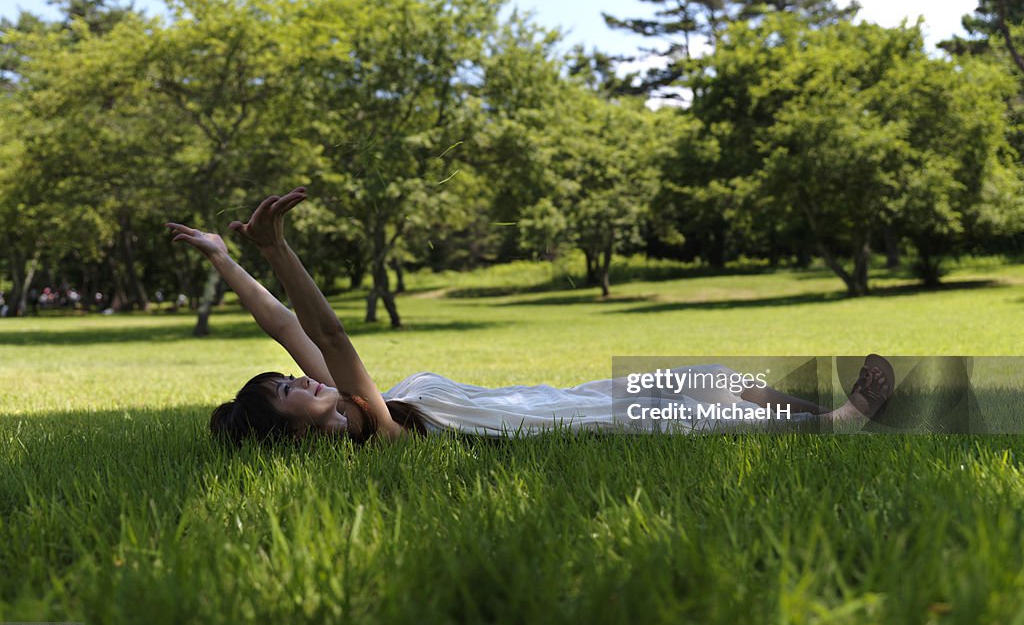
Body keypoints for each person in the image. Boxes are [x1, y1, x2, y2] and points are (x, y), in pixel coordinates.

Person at [167, 188, 895, 446]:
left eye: (300, 383)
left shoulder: (363, 401)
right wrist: (280, 249)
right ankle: (838, 423)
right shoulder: (382, 432)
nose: (311, 383)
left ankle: (826, 416)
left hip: (564, 398)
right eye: (300, 397)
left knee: (708, 374)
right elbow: (326, 331)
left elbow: (287, 328)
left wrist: (225, 257)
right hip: (580, 425)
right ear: (307, 438)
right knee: (707, 398)